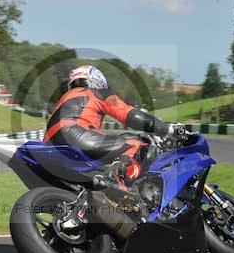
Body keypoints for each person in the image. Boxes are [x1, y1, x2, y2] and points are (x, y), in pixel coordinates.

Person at [43, 65, 174, 183]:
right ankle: (119, 184)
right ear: (96, 80)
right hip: (74, 136)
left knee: (116, 141)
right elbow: (130, 115)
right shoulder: (98, 92)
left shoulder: (65, 98)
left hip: (48, 145)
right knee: (137, 145)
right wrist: (166, 129)